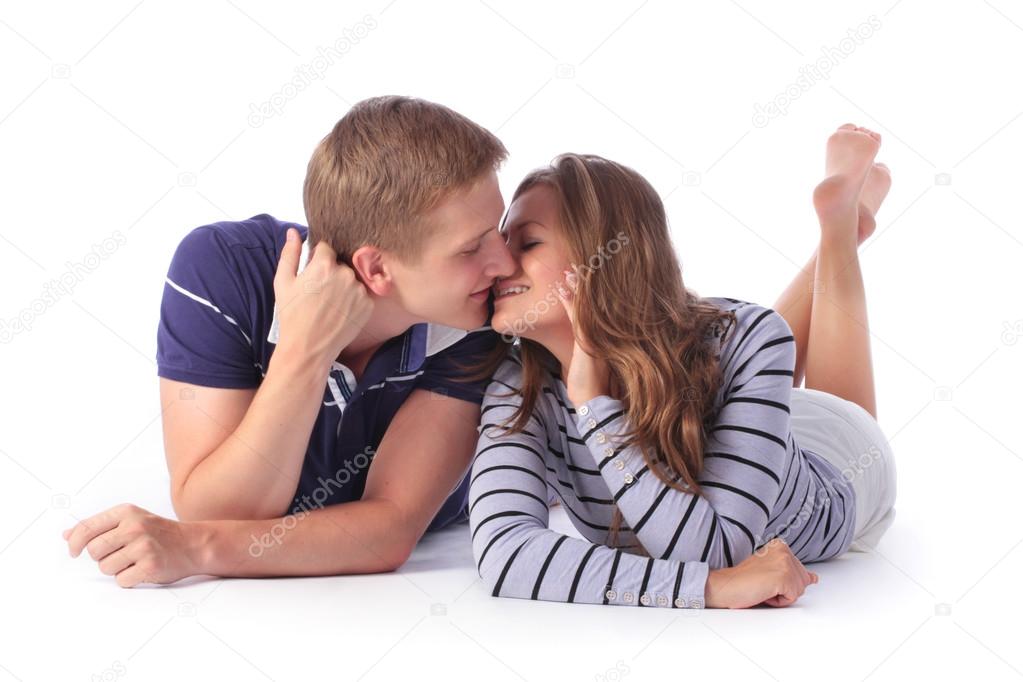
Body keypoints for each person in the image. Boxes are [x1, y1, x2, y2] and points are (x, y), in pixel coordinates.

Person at [62, 96, 519, 587]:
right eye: (472, 247)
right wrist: (307, 349)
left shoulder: (478, 313)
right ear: (376, 268)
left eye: (496, 230)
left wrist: (194, 548)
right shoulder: (221, 271)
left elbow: (389, 527)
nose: (506, 264)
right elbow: (220, 509)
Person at [469, 124, 898, 609]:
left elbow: (716, 550)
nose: (500, 263)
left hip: (837, 462)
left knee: (817, 386)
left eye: (526, 243)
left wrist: (592, 406)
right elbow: (505, 554)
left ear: (601, 258)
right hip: (754, 418)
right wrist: (708, 591)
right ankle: (845, 222)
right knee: (742, 351)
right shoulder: (516, 383)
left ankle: (840, 227)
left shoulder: (752, 337)